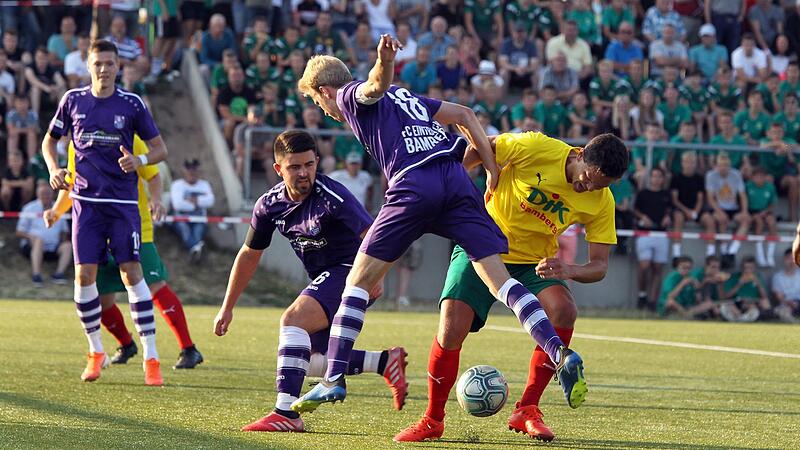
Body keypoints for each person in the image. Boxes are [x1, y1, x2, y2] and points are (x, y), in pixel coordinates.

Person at [293, 36, 589, 421]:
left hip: (414, 183)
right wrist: (491, 167)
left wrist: (384, 61)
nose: (325, 110)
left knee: (357, 283)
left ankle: (333, 376)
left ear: (324, 90)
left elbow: (374, 85)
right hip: (455, 181)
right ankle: (557, 350)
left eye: (318, 102)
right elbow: (465, 114)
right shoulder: (407, 97)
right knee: (499, 282)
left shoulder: (348, 95)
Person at [394, 129, 626, 442]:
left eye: (599, 186)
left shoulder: (601, 201)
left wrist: (569, 269)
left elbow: (599, 266)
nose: (588, 188)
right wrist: (463, 180)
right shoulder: (536, 147)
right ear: (580, 153)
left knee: (564, 310)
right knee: (451, 325)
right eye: (587, 179)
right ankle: (433, 419)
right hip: (481, 243)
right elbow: (483, 145)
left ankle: (527, 409)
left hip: (534, 262)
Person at [213, 130, 408, 432]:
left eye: (309, 164)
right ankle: (384, 362)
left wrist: (375, 274)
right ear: (278, 169)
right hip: (324, 278)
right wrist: (227, 307)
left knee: (293, 320)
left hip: (352, 271)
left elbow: (375, 236)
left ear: (317, 161)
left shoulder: (333, 195)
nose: (304, 173)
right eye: (294, 167)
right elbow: (249, 254)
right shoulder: (268, 206)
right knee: (313, 359)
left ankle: (286, 414)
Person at [42, 39, 168, 385]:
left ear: (117, 66)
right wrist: (54, 168)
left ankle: (152, 356)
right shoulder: (73, 101)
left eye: (109, 63)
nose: (103, 69)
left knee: (132, 272)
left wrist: (139, 160)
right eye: (98, 63)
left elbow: (160, 150)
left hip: (123, 205)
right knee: (84, 277)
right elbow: (48, 141)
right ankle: (96, 350)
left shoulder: (131, 104)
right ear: (88, 65)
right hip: (85, 204)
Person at [45, 136, 203, 369]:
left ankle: (189, 348)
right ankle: (127, 344)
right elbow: (73, 185)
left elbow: (153, 175)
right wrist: (56, 211)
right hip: (97, 231)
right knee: (100, 298)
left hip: (136, 226)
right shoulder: (77, 141)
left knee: (154, 285)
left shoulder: (130, 137)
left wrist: (157, 199)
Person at [16, 182, 71, 286]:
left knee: (68, 245)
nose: (45, 196)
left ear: (53, 194)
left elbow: (64, 231)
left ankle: (59, 274)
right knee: (39, 241)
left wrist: (62, 240)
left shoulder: (59, 208)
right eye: (43, 193)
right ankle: (36, 275)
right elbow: (19, 231)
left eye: (48, 193)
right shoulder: (29, 208)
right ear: (38, 194)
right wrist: (31, 237)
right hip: (33, 245)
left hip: (53, 247)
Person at [634, 167, 672, 310]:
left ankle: (653, 301)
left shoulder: (666, 194)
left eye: (659, 176)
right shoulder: (643, 194)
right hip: (645, 233)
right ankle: (642, 295)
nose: (656, 179)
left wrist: (668, 217)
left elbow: (670, 209)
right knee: (644, 265)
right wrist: (643, 217)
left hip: (661, 234)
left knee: (657, 268)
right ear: (650, 178)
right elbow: (635, 210)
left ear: (663, 179)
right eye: (654, 176)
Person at [705, 152, 750, 269]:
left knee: (746, 220)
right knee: (721, 219)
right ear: (716, 165)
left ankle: (731, 251)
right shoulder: (711, 176)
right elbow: (710, 197)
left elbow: (743, 195)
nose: (723, 168)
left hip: (733, 208)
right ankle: (724, 252)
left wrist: (744, 211)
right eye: (721, 165)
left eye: (726, 165)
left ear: (729, 165)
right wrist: (719, 211)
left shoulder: (736, 175)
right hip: (718, 207)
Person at [670, 151, 713, 258]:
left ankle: (710, 253)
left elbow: (700, 198)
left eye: (692, 162)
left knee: (709, 220)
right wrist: (687, 212)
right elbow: (675, 200)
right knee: (678, 218)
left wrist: (695, 212)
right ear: (682, 163)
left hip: (696, 209)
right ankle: (676, 253)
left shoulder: (699, 178)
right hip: (681, 209)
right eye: (687, 162)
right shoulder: (676, 178)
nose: (690, 164)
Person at [170, 159, 214, 261]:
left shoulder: (205, 185)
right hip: (181, 219)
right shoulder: (177, 185)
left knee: (197, 233)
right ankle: (196, 250)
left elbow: (210, 201)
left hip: (199, 219)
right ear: (184, 171)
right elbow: (178, 205)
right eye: (189, 169)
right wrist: (197, 204)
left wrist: (190, 201)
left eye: (194, 169)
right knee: (185, 231)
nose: (191, 172)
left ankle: (195, 251)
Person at [720, 256, 770, 322]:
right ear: (741, 267)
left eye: (751, 268)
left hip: (753, 303)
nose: (748, 270)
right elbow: (727, 296)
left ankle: (745, 318)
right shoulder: (734, 277)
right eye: (746, 268)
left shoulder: (758, 277)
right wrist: (739, 284)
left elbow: (764, 296)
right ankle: (740, 318)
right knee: (725, 306)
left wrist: (758, 284)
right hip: (737, 302)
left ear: (755, 268)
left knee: (765, 303)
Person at [745, 167, 778, 267]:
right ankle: (760, 255)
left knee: (772, 222)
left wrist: (765, 211)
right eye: (757, 176)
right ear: (753, 177)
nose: (759, 178)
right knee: (759, 222)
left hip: (765, 211)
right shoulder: (748, 186)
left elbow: (773, 203)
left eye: (761, 176)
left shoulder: (770, 187)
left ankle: (770, 255)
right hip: (752, 211)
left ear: (765, 177)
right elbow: (744, 201)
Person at [6, 94, 39, 160]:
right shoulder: (11, 115)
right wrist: (26, 129)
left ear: (28, 103)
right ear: (15, 104)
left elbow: (34, 129)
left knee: (31, 135)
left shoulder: (33, 114)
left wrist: (18, 129)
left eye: (24, 103)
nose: (22, 106)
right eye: (19, 103)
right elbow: (11, 130)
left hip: (29, 135)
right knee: (13, 136)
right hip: (16, 135)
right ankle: (11, 160)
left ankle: (32, 161)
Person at [772, 249, 800, 323]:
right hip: (786, 304)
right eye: (789, 259)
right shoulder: (777, 277)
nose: (792, 262)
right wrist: (789, 303)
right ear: (784, 259)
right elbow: (779, 297)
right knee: (782, 310)